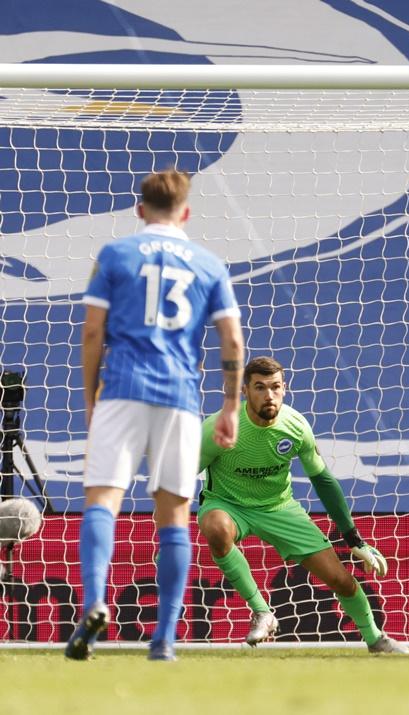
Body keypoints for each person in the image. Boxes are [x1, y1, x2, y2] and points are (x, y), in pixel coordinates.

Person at [68, 168, 244, 661]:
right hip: (181, 398)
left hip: (121, 389)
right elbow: (231, 339)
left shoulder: (115, 255)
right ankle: (164, 638)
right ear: (185, 213)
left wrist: (90, 398)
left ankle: (97, 603)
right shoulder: (209, 264)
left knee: (102, 499)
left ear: (140, 209)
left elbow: (91, 333)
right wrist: (229, 407)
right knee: (174, 517)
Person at [196, 356, 406, 654]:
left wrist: (354, 539)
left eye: (275, 387)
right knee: (216, 528)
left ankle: (376, 639)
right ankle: (262, 611)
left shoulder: (295, 427)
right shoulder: (220, 427)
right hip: (228, 504)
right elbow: (182, 474)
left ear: (285, 389)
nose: (269, 395)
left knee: (341, 581)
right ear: (244, 391)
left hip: (279, 508)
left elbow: (323, 480)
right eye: (259, 387)